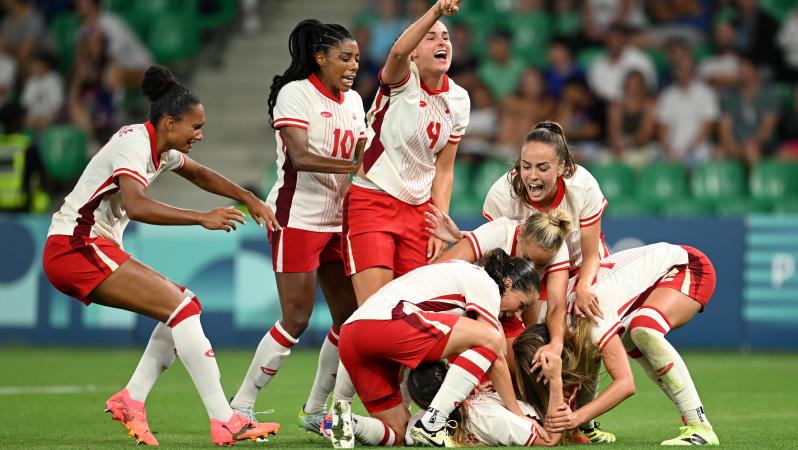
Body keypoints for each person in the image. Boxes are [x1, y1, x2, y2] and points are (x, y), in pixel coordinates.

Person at [41, 65, 281, 446]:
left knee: (184, 307)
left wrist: (249, 198)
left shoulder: (160, 147)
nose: (200, 135)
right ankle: (225, 419)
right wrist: (201, 217)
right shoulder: (134, 145)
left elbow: (201, 175)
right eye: (195, 127)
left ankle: (132, 398)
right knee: (182, 310)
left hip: (88, 247)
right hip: (75, 246)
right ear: (169, 122)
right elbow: (136, 206)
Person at [228, 19, 367, 435]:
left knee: (350, 318)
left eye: (357, 58)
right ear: (320, 58)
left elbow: (362, 156)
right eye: (345, 57)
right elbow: (302, 157)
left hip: (338, 222)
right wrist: (355, 166)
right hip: (297, 217)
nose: (353, 66)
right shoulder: (295, 93)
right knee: (296, 318)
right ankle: (242, 405)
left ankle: (315, 408)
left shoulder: (355, 102)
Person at [481, 121, 613, 442]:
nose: (532, 176)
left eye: (542, 167)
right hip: (528, 272)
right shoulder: (502, 193)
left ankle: (580, 417)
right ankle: (533, 412)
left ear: (563, 167)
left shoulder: (583, 186)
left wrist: (582, 286)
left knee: (582, 331)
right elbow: (500, 260)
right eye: (526, 167)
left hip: (580, 265)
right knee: (529, 343)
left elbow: (592, 252)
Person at [519, 242, 719, 446]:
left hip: (686, 265)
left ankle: (700, 427)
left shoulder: (591, 318)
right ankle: (587, 428)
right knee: (610, 344)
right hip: (646, 285)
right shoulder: (549, 317)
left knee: (644, 329)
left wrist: (576, 417)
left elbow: (626, 384)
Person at [334, 249, 540, 447]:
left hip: (352, 335)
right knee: (492, 338)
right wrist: (518, 414)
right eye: (522, 305)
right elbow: (496, 352)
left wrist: (341, 399)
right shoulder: (486, 283)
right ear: (508, 284)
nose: (518, 315)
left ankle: (347, 421)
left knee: (398, 432)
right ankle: (433, 422)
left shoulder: (458, 272)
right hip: (385, 323)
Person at [343, 0, 470, 303]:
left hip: (418, 211)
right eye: (431, 36)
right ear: (414, 51)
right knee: (376, 309)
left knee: (411, 308)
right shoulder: (401, 79)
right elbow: (398, 52)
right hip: (373, 200)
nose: (442, 41)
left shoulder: (459, 99)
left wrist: (439, 224)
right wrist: (437, 11)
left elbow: (445, 169)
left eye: (446, 38)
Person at [404, 354, 565, 447]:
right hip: (553, 415)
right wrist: (556, 380)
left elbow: (411, 435)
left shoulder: (421, 422)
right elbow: (549, 441)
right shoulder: (487, 418)